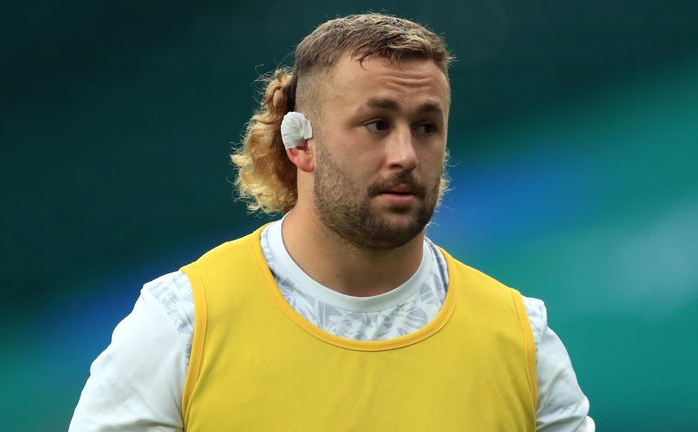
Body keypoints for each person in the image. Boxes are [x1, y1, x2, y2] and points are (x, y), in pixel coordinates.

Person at [70, 13, 594, 431]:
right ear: (300, 143)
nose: (406, 154)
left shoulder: (522, 340)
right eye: (376, 124)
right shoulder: (182, 326)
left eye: (427, 126)